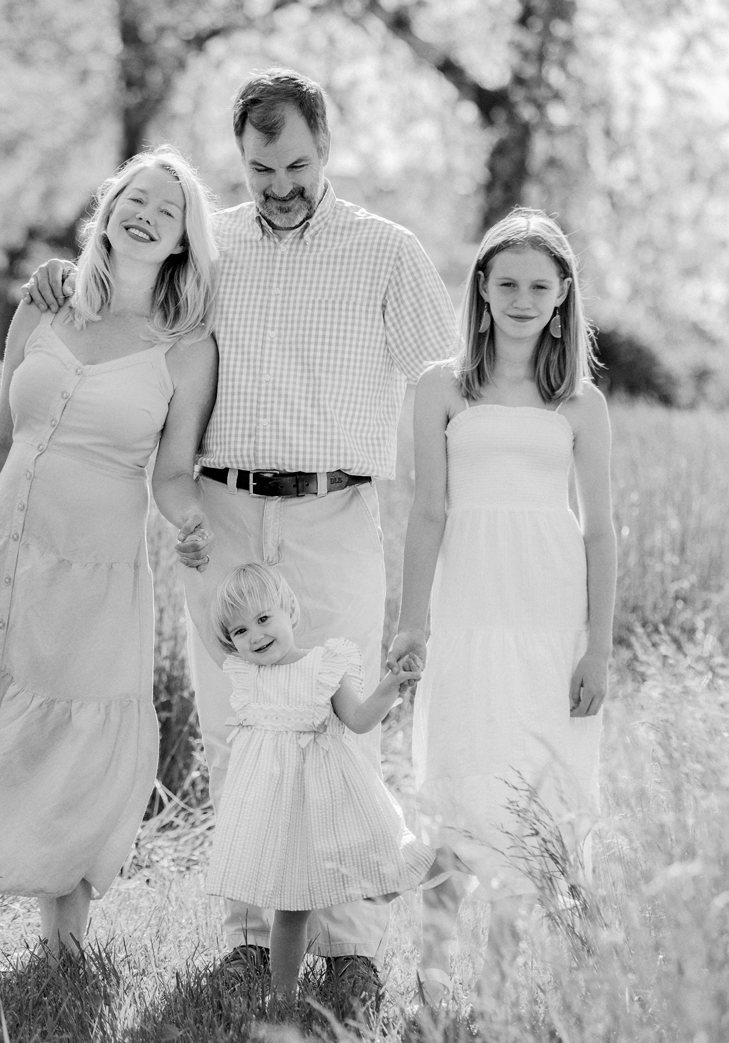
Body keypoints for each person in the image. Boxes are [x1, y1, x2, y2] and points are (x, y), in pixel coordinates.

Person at [23, 68, 457, 997]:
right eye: (262, 169)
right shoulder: (211, 249)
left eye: (296, 164)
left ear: (326, 149)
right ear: (242, 160)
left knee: (335, 721)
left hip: (335, 510)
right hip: (218, 513)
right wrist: (67, 279)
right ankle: (249, 930)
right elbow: (127, 300)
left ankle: (346, 941)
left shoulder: (386, 251)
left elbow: (442, 383)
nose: (280, 186)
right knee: (235, 727)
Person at [0, 146, 219, 958]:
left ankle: (64, 938)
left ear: (182, 239)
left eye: (165, 210)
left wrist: (197, 525)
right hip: (3, 553)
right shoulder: (45, 307)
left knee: (74, 728)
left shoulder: (186, 347)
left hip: (98, 570)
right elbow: (0, 436)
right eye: (132, 200)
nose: (145, 215)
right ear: (106, 211)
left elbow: (172, 474)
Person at [393, 207, 616, 1002]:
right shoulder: (440, 387)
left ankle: (497, 978)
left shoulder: (580, 404)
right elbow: (427, 510)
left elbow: (599, 534)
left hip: (549, 614)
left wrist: (598, 647)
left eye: (540, 286)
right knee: (460, 768)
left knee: (533, 780)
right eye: (508, 282)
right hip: (468, 610)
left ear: (562, 299)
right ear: (483, 289)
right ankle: (433, 971)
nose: (523, 298)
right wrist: (412, 621)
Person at [205, 563, 447, 1004]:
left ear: (289, 609)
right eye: (240, 631)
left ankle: (425, 888)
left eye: (263, 619)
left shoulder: (322, 666)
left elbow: (359, 719)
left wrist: (392, 684)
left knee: (361, 861)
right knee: (291, 906)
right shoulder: (246, 675)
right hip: (275, 811)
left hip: (324, 800)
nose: (255, 636)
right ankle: (282, 997)